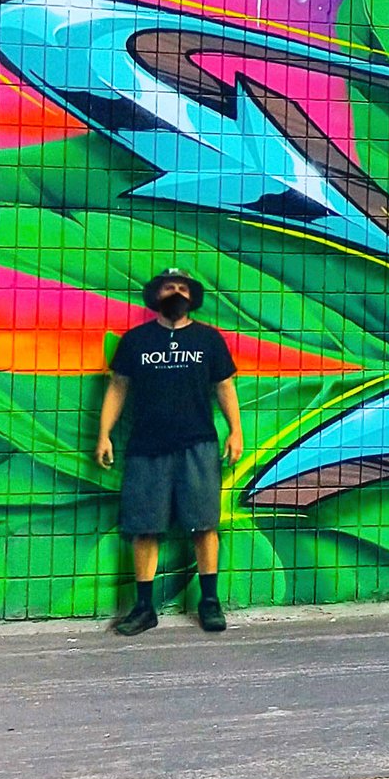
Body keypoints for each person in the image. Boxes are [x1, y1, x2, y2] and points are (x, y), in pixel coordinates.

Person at [96, 269, 242, 635]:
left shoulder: (209, 339)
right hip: (146, 448)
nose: (175, 292)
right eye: (168, 287)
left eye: (181, 288)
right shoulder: (136, 341)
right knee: (145, 528)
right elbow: (117, 387)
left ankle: (209, 602)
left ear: (191, 297)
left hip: (199, 444)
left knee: (204, 525)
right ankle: (144, 608)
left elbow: (225, 387)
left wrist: (235, 431)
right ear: (156, 296)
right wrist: (104, 434)